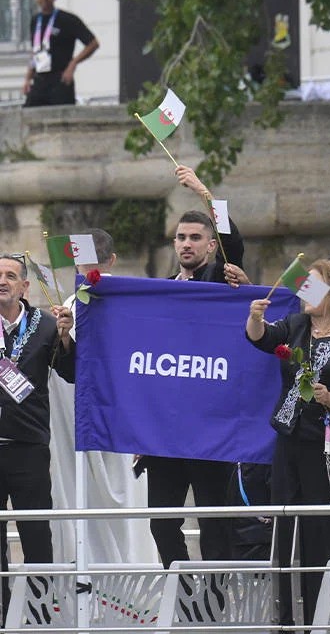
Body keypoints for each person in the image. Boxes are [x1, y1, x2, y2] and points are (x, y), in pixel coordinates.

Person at [247, 259, 330, 626]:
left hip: (329, 448)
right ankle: (287, 618)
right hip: (290, 440)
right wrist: (256, 317)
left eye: (313, 286)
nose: (304, 292)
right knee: (287, 526)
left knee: (325, 531)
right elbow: (260, 338)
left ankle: (327, 617)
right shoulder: (295, 326)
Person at [140, 166, 246, 566]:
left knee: (213, 520)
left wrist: (204, 191)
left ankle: (213, 605)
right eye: (181, 237)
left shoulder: (224, 281)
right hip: (165, 430)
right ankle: (182, 594)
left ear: (211, 246)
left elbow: (235, 241)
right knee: (162, 521)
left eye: (196, 237)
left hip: (210, 428)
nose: (187, 244)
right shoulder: (162, 291)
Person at [48, 229, 156, 564]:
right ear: (111, 259)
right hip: (82, 420)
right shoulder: (69, 306)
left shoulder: (117, 300)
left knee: (108, 494)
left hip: (112, 420)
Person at [0, 255, 75, 587]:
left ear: (24, 286)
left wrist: (65, 338)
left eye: (10, 276)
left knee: (36, 535)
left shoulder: (44, 324)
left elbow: (70, 372)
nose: (2, 281)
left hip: (28, 447)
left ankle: (40, 614)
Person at [23, 0, 99, 108]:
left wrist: (73, 64)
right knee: (28, 116)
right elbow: (36, 51)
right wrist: (27, 78)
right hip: (40, 79)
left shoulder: (67, 19)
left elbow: (93, 43)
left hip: (61, 80)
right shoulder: (35, 20)